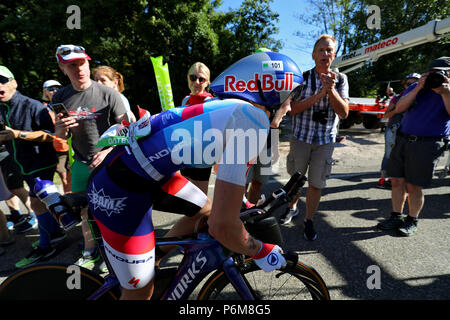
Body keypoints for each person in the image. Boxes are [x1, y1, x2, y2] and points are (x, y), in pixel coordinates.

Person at [86, 51, 303, 299]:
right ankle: (141, 275)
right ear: (275, 90)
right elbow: (223, 227)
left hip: (144, 172)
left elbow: (228, 180)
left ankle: (152, 260)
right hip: (120, 188)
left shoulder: (232, 110)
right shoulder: (252, 120)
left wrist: (240, 204)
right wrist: (260, 250)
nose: (291, 105)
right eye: (292, 95)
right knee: (141, 291)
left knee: (206, 211)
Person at [52, 45, 129, 268]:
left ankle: (114, 252)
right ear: (62, 68)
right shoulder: (60, 96)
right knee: (85, 209)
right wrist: (60, 128)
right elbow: (60, 135)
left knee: (113, 207)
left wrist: (107, 151)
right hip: (81, 162)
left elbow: (126, 129)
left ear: (88, 62)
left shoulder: (108, 93)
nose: (79, 69)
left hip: (110, 160)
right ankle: (90, 250)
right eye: (72, 65)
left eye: (82, 63)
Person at [279, 34, 349, 242]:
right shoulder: (302, 78)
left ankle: (309, 220)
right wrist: (320, 94)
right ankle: (292, 207)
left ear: (334, 55)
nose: (325, 54)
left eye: (329, 51)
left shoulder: (342, 79)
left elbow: (344, 112)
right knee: (296, 179)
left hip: (325, 140)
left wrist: (331, 91)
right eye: (321, 50)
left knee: (317, 184)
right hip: (301, 136)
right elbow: (293, 109)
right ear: (313, 55)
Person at [377, 57, 450, 236]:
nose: (437, 76)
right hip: (403, 139)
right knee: (396, 181)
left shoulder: (448, 91)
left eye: (442, 72)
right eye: (433, 72)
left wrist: (445, 92)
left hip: (428, 143)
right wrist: (418, 87)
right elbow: (400, 108)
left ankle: (412, 219)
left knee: (414, 185)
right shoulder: (417, 87)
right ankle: (396, 216)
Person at [0, 65, 63, 267]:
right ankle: (55, 233)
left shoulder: (32, 104)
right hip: (22, 164)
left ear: (13, 83)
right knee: (43, 202)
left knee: (35, 203)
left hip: (41, 162)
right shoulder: (1, 107)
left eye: (2, 80)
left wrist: (18, 134)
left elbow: (51, 134)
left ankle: (45, 247)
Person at [377, 73, 420, 189]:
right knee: (389, 154)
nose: (411, 86)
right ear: (404, 85)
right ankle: (383, 179)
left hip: (411, 131)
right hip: (394, 129)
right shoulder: (398, 98)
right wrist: (399, 109)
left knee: (406, 155)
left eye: (415, 83)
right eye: (409, 84)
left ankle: (398, 179)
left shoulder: (423, 98)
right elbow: (386, 115)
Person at [179, 62, 214, 195]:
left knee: (200, 202)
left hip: (202, 156)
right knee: (186, 199)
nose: (197, 82)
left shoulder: (211, 102)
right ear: (188, 79)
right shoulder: (185, 100)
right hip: (185, 155)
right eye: (193, 78)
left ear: (207, 82)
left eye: (201, 79)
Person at [42, 80, 72, 194]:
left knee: (69, 178)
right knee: (64, 178)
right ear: (45, 92)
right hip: (56, 148)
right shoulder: (43, 109)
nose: (54, 91)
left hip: (71, 145)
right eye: (51, 89)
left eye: (57, 88)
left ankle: (72, 202)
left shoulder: (68, 104)